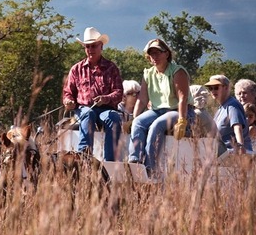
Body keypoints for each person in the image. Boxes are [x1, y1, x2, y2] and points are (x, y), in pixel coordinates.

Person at [128, 38, 194, 174]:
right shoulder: (148, 73)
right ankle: (135, 161)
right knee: (138, 123)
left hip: (178, 110)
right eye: (151, 54)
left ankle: (149, 167)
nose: (154, 57)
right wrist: (134, 118)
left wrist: (182, 121)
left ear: (167, 54)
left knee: (156, 125)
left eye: (158, 53)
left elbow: (183, 98)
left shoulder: (177, 71)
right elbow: (142, 98)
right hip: (158, 110)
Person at [62, 27, 123, 161]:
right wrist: (68, 102)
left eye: (94, 46)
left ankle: (109, 161)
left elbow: (119, 93)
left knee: (114, 118)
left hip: (106, 109)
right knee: (87, 114)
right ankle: (84, 157)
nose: (91, 50)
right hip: (84, 108)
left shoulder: (111, 68)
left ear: (101, 46)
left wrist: (106, 99)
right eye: (87, 46)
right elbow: (68, 93)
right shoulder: (76, 69)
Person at [205, 75, 253, 152]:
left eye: (216, 87)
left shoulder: (232, 105)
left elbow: (237, 127)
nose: (213, 91)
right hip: (225, 154)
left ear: (226, 87)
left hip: (234, 154)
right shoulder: (222, 107)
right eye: (210, 88)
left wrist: (240, 146)